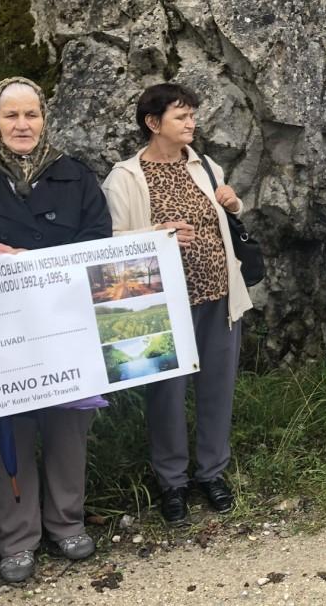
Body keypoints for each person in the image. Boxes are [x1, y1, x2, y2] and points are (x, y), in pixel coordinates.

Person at [0, 77, 111, 583]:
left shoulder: (75, 174)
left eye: (31, 115)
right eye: (11, 116)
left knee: (67, 426)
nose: (22, 125)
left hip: (64, 321)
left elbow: (99, 238)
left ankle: (66, 522)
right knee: (5, 430)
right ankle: (16, 538)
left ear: (44, 117)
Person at [102, 83, 253, 525]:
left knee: (217, 387)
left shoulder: (207, 167)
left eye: (192, 116)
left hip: (219, 295)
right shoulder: (126, 178)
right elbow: (110, 245)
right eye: (181, 117)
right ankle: (171, 482)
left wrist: (233, 201)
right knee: (165, 393)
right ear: (153, 123)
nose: (192, 124)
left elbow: (226, 218)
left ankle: (212, 473)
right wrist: (157, 235)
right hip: (159, 304)